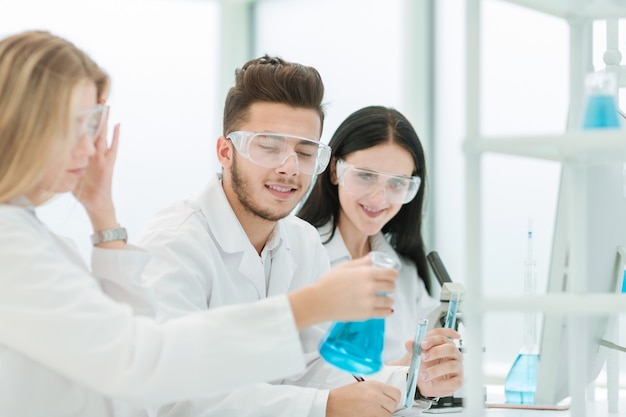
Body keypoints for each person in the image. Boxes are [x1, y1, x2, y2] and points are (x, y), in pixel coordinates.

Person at [0, 31, 401, 417]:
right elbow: (149, 369)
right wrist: (309, 308)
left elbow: (131, 331)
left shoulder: (29, 231)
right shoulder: (13, 243)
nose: (91, 147)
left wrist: (102, 214)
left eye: (93, 127)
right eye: (79, 125)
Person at [138, 56, 463, 417]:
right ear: (225, 152)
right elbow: (173, 396)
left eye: (305, 152)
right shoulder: (174, 245)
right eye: (269, 147)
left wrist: (411, 381)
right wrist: (324, 407)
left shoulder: (302, 242)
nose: (289, 167)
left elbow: (312, 366)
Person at [297, 105, 449, 364]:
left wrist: (442, 364)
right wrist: (403, 373)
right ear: (334, 170)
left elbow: (435, 351)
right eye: (366, 176)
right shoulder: (297, 254)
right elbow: (303, 374)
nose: (379, 198)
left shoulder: (406, 274)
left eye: (397, 183)